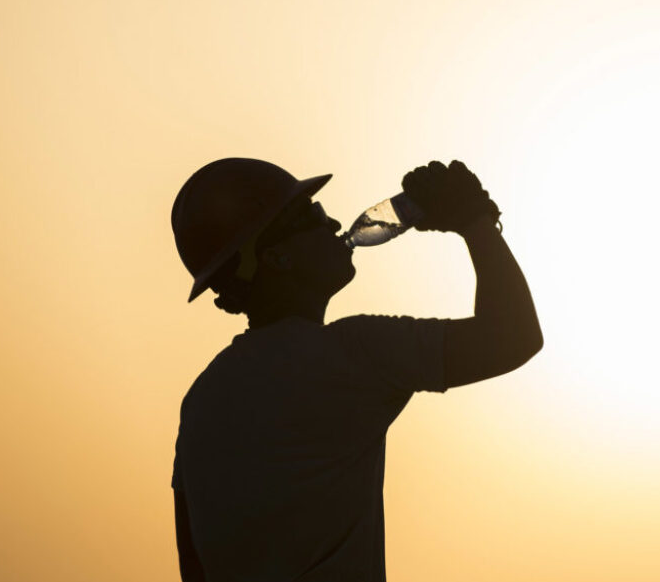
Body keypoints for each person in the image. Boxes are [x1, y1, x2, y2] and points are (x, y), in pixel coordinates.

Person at [170, 158, 543, 582]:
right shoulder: (352, 354)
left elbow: (193, 567)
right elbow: (514, 336)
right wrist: (474, 220)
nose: (331, 222)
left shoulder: (201, 399)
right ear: (277, 258)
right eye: (309, 216)